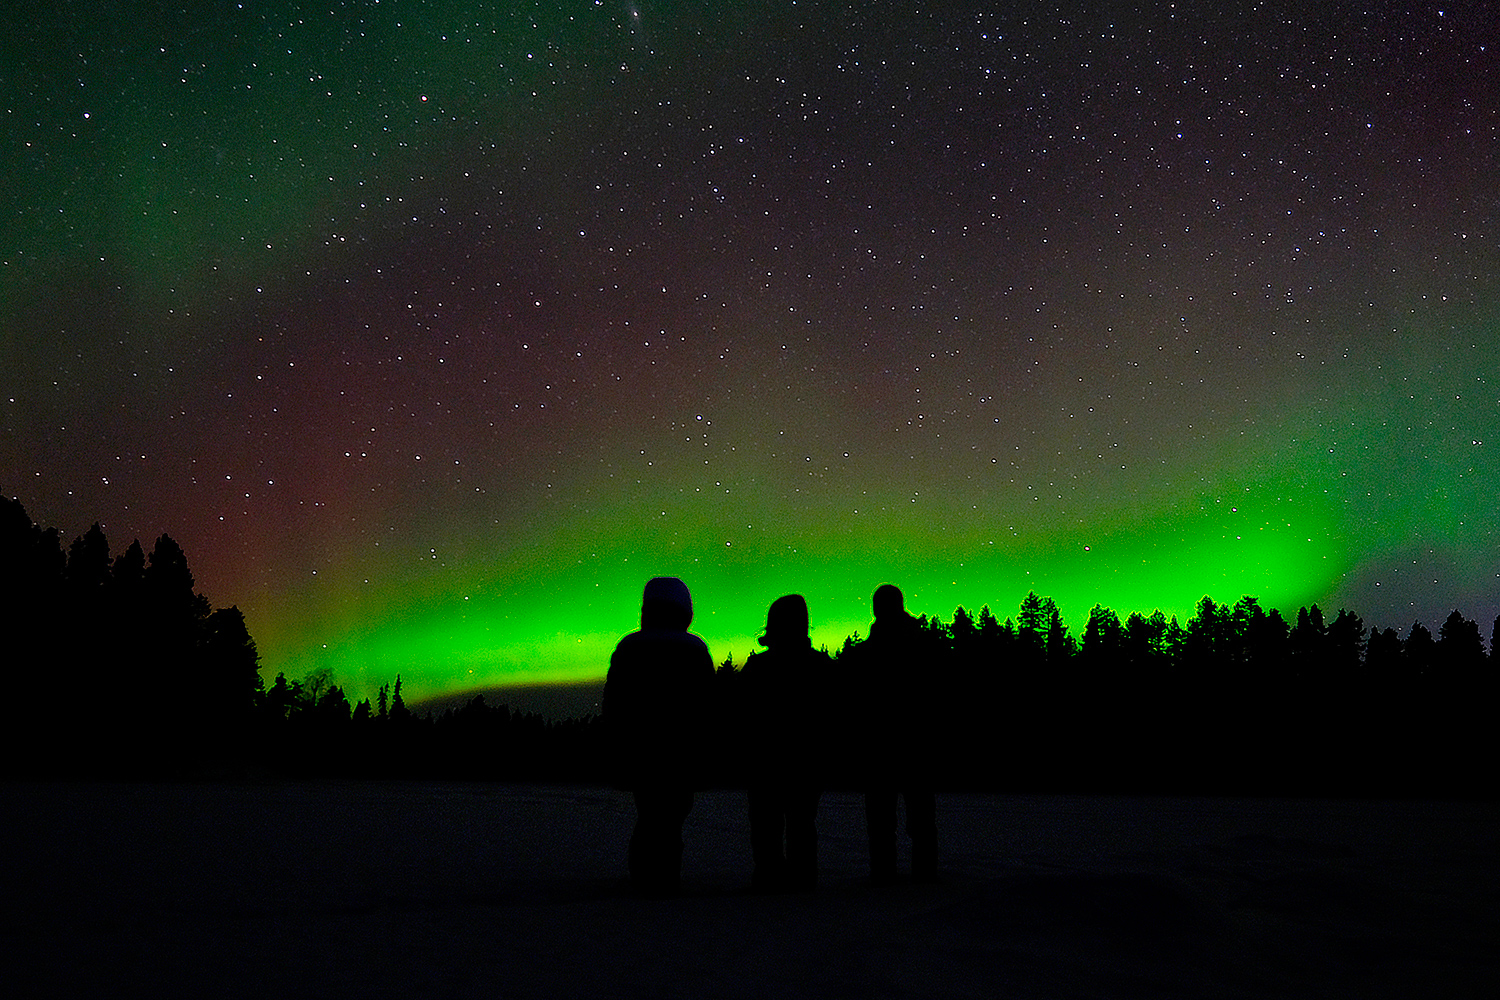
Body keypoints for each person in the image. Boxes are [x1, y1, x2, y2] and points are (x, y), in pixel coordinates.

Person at [602, 577, 716, 896]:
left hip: (639, 751)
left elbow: (615, 703)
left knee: (650, 815)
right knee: (670, 819)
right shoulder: (695, 650)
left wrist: (615, 744)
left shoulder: (629, 648)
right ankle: (664, 878)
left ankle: (646, 877)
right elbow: (708, 706)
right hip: (683, 752)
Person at [739, 594, 833, 892]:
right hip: (806, 760)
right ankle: (801, 879)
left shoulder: (758, 668)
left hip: (766, 761)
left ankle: (770, 878)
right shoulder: (821, 666)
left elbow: (741, 715)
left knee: (767, 823)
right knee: (801, 821)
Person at [855, 583, 939, 884]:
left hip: (890, 742)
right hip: (910, 741)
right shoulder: (921, 644)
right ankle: (919, 873)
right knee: (913, 815)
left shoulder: (874, 650)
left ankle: (886, 873)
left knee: (885, 817)